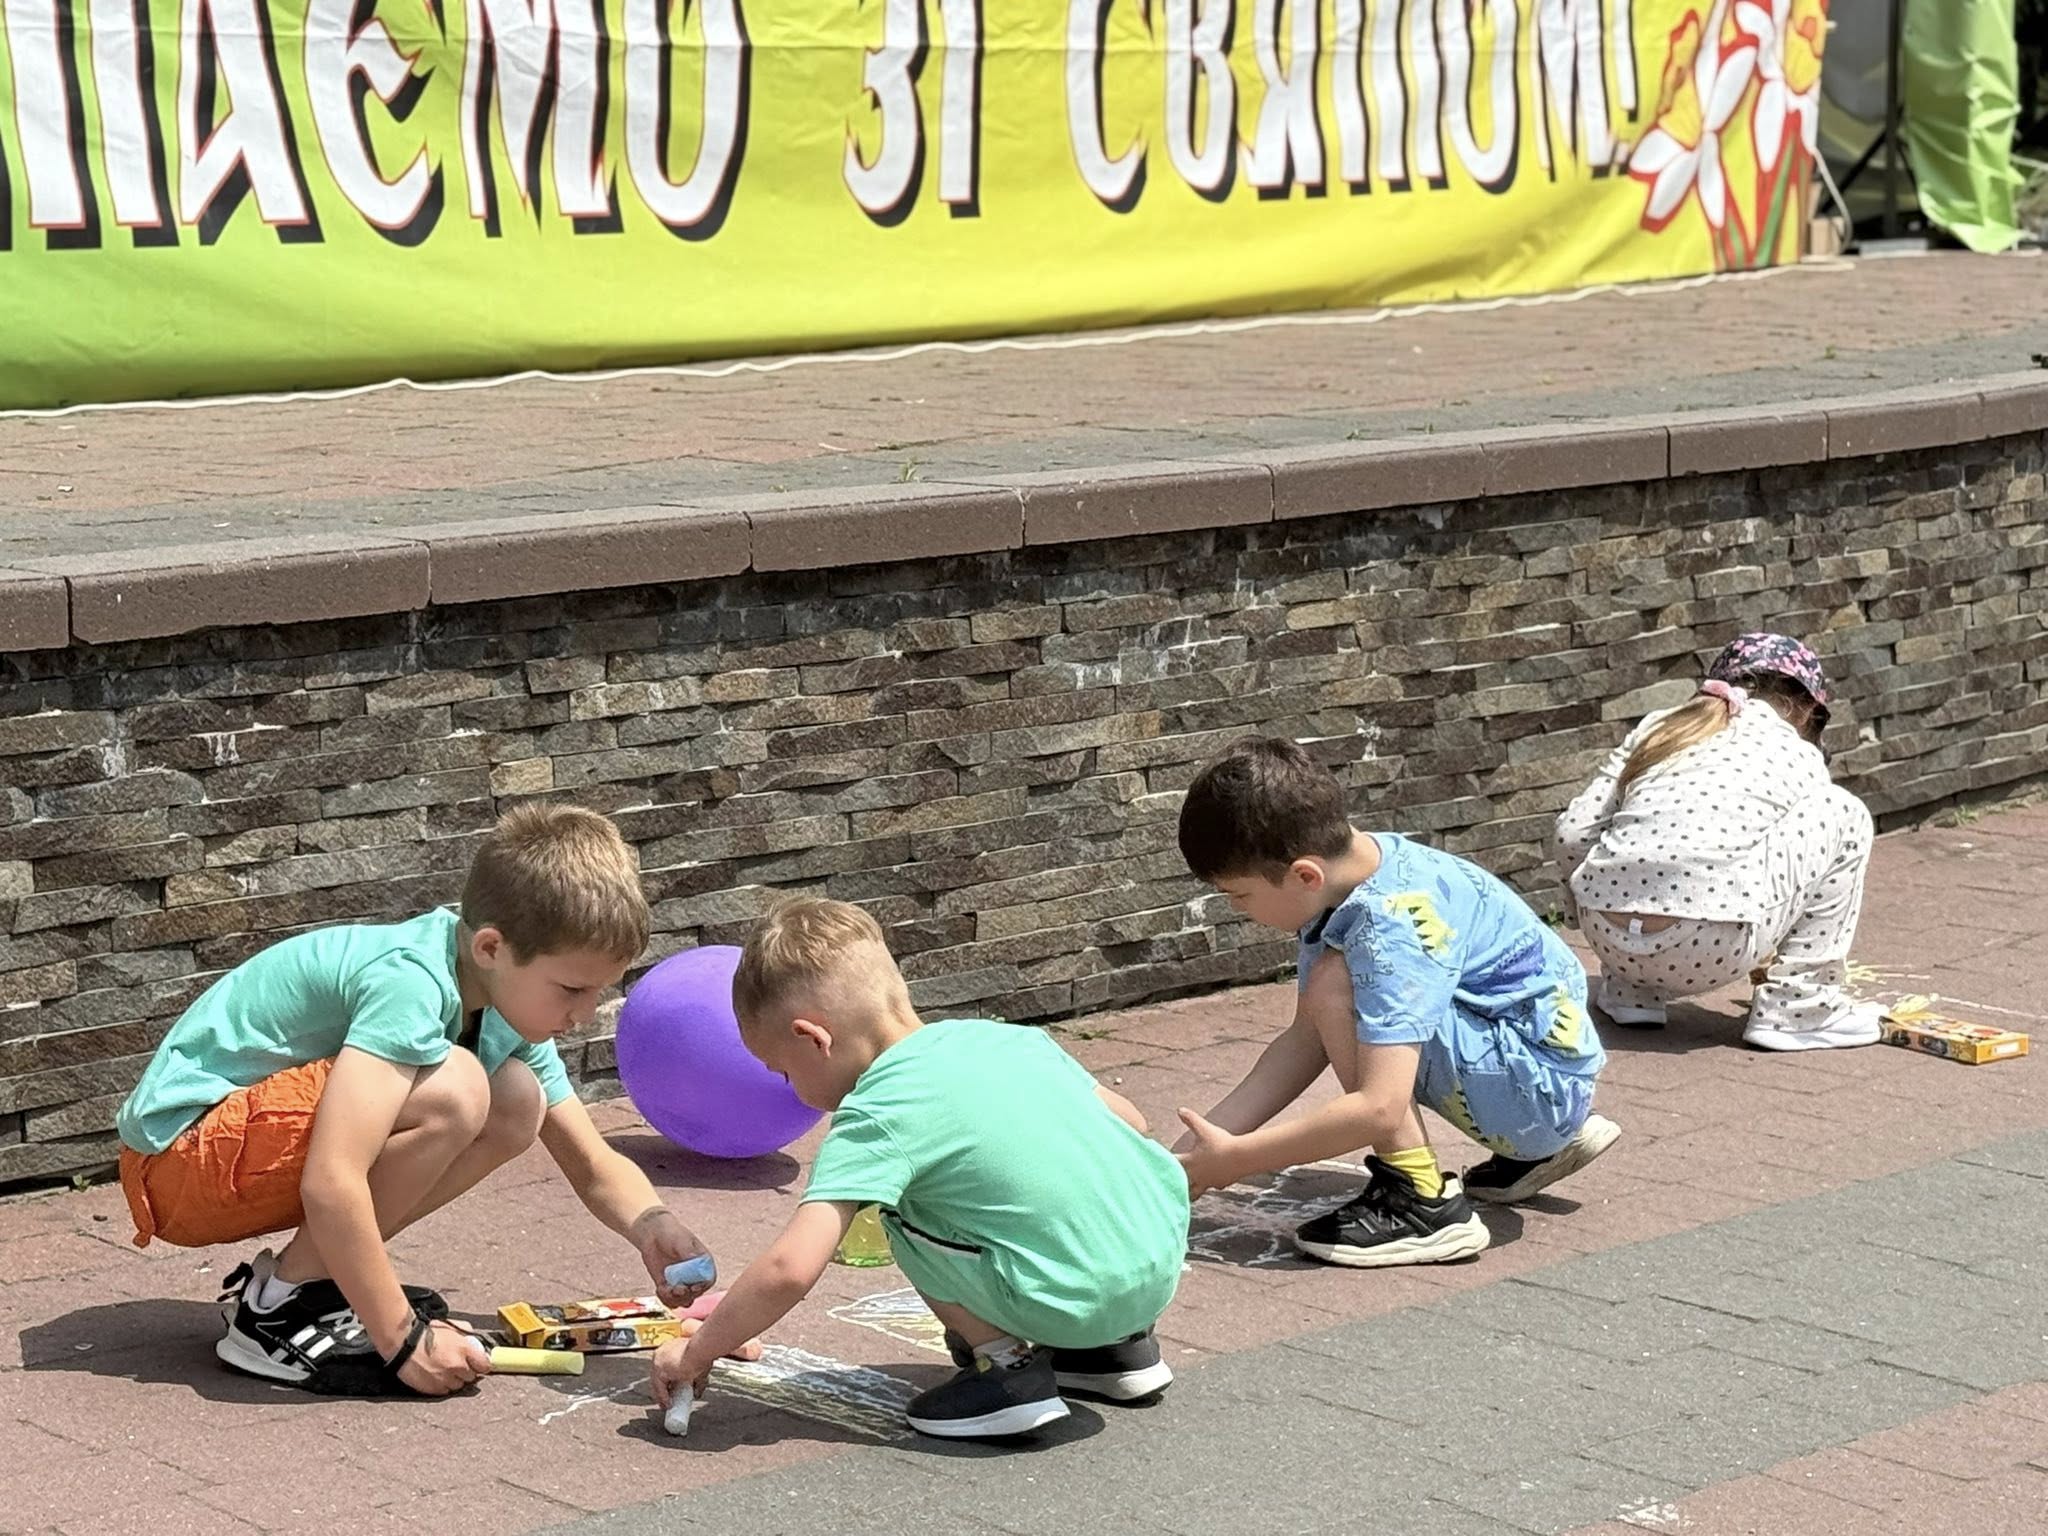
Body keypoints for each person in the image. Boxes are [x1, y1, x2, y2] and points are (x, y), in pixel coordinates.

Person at [115, 803, 715, 1397]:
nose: (585, 1014)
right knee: (457, 1089)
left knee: (517, 1101)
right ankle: (275, 1316)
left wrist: (653, 1227)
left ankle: (306, 1287)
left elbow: (591, 1163)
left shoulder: (500, 1003)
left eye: (599, 990)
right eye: (572, 989)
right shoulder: (410, 982)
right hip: (179, 1162)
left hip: (230, 1156)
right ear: (490, 948)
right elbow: (331, 1179)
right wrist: (402, 1341)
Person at [651, 898, 1188, 1440]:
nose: (791, 1090)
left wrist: (697, 1353)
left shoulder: (879, 1111)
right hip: (1154, 1273)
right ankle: (1114, 1354)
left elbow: (791, 1268)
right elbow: (1132, 1121)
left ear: (814, 1039)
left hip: (1063, 1299)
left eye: (784, 1072)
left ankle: (1008, 1372)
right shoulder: (1006, 1039)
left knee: (902, 1211)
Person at [1172, 737, 1617, 1268]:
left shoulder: (1387, 929)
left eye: (1239, 895)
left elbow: (1380, 1108)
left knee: (1336, 983)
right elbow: (1305, 1040)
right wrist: (1186, 1159)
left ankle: (1422, 1201)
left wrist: (1237, 1160)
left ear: (1304, 875)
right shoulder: (1359, 872)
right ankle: (1542, 1145)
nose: (1239, 909)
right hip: (1544, 1078)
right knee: (1335, 987)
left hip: (1537, 1094)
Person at [1554, 632, 1880, 1052]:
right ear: (1804, 708)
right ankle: (1798, 1007)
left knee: (1646, 845)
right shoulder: (1796, 751)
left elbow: (1573, 832)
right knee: (1844, 812)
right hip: (1710, 950)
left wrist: (1580, 910)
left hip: (1607, 936)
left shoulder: (1660, 726)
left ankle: (1632, 992)